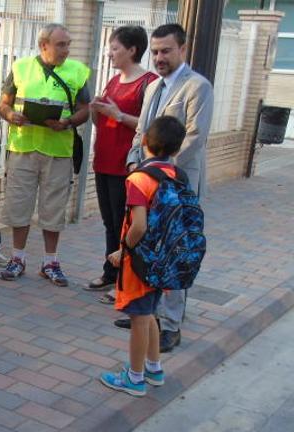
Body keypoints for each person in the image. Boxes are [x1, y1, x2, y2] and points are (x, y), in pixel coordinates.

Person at [115, 23, 214, 353]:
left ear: (182, 49)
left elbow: (195, 138)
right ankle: (146, 313)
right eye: (155, 52)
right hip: (148, 183)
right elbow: (141, 131)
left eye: (166, 51)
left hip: (176, 186)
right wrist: (134, 162)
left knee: (174, 249)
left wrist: (157, 174)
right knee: (147, 246)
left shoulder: (197, 87)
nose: (159, 57)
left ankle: (170, 324)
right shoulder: (154, 87)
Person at [0, 23, 91, 287]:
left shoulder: (77, 72)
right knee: (19, 204)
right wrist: (11, 115)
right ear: (44, 45)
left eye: (68, 44)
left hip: (59, 151)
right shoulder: (20, 68)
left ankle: (50, 262)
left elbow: (86, 109)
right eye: (61, 44)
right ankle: (18, 258)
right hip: (23, 148)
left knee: (53, 209)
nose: (66, 49)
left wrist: (69, 122)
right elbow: (4, 104)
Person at [99, 116, 185, 397]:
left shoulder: (139, 178)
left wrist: (122, 250)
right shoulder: (178, 175)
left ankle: (134, 378)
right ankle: (153, 368)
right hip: (166, 259)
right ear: (177, 148)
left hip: (140, 261)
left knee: (138, 318)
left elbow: (139, 225)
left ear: (145, 141)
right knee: (149, 313)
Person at [87, 26, 158, 303]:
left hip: (126, 165)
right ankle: (109, 270)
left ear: (132, 50)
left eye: (115, 48)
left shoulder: (148, 83)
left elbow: (148, 127)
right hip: (103, 160)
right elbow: (102, 123)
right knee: (109, 223)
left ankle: (124, 280)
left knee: (124, 224)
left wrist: (118, 114)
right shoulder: (113, 82)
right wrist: (97, 110)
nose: (111, 53)